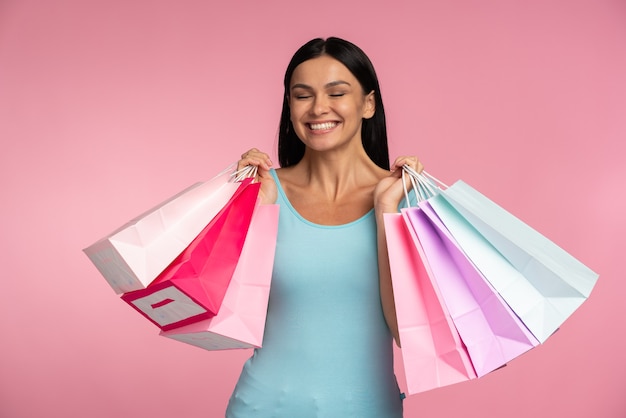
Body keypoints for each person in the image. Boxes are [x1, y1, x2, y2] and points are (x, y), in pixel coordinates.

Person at [226, 37, 423, 418]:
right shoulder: (263, 191)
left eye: (337, 93)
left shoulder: (404, 197)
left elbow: (409, 335)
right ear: (289, 105)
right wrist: (258, 208)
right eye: (303, 95)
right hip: (261, 408)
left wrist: (386, 210)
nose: (319, 108)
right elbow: (228, 314)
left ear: (368, 103)